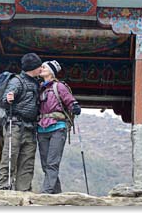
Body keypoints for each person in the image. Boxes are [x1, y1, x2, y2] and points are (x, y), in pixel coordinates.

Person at [0, 53, 42, 191]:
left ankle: (24, 189)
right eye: (39, 66)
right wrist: (9, 98)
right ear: (34, 67)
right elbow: (4, 100)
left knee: (27, 160)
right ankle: (2, 187)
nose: (41, 68)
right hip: (15, 125)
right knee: (10, 156)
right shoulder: (17, 81)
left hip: (30, 127)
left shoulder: (36, 83)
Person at [37, 60, 81, 194]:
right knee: (45, 164)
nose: (41, 68)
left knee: (52, 162)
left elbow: (69, 100)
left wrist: (74, 106)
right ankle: (56, 194)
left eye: (44, 67)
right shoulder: (39, 88)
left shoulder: (59, 86)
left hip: (57, 127)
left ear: (51, 71)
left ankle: (47, 192)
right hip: (41, 128)